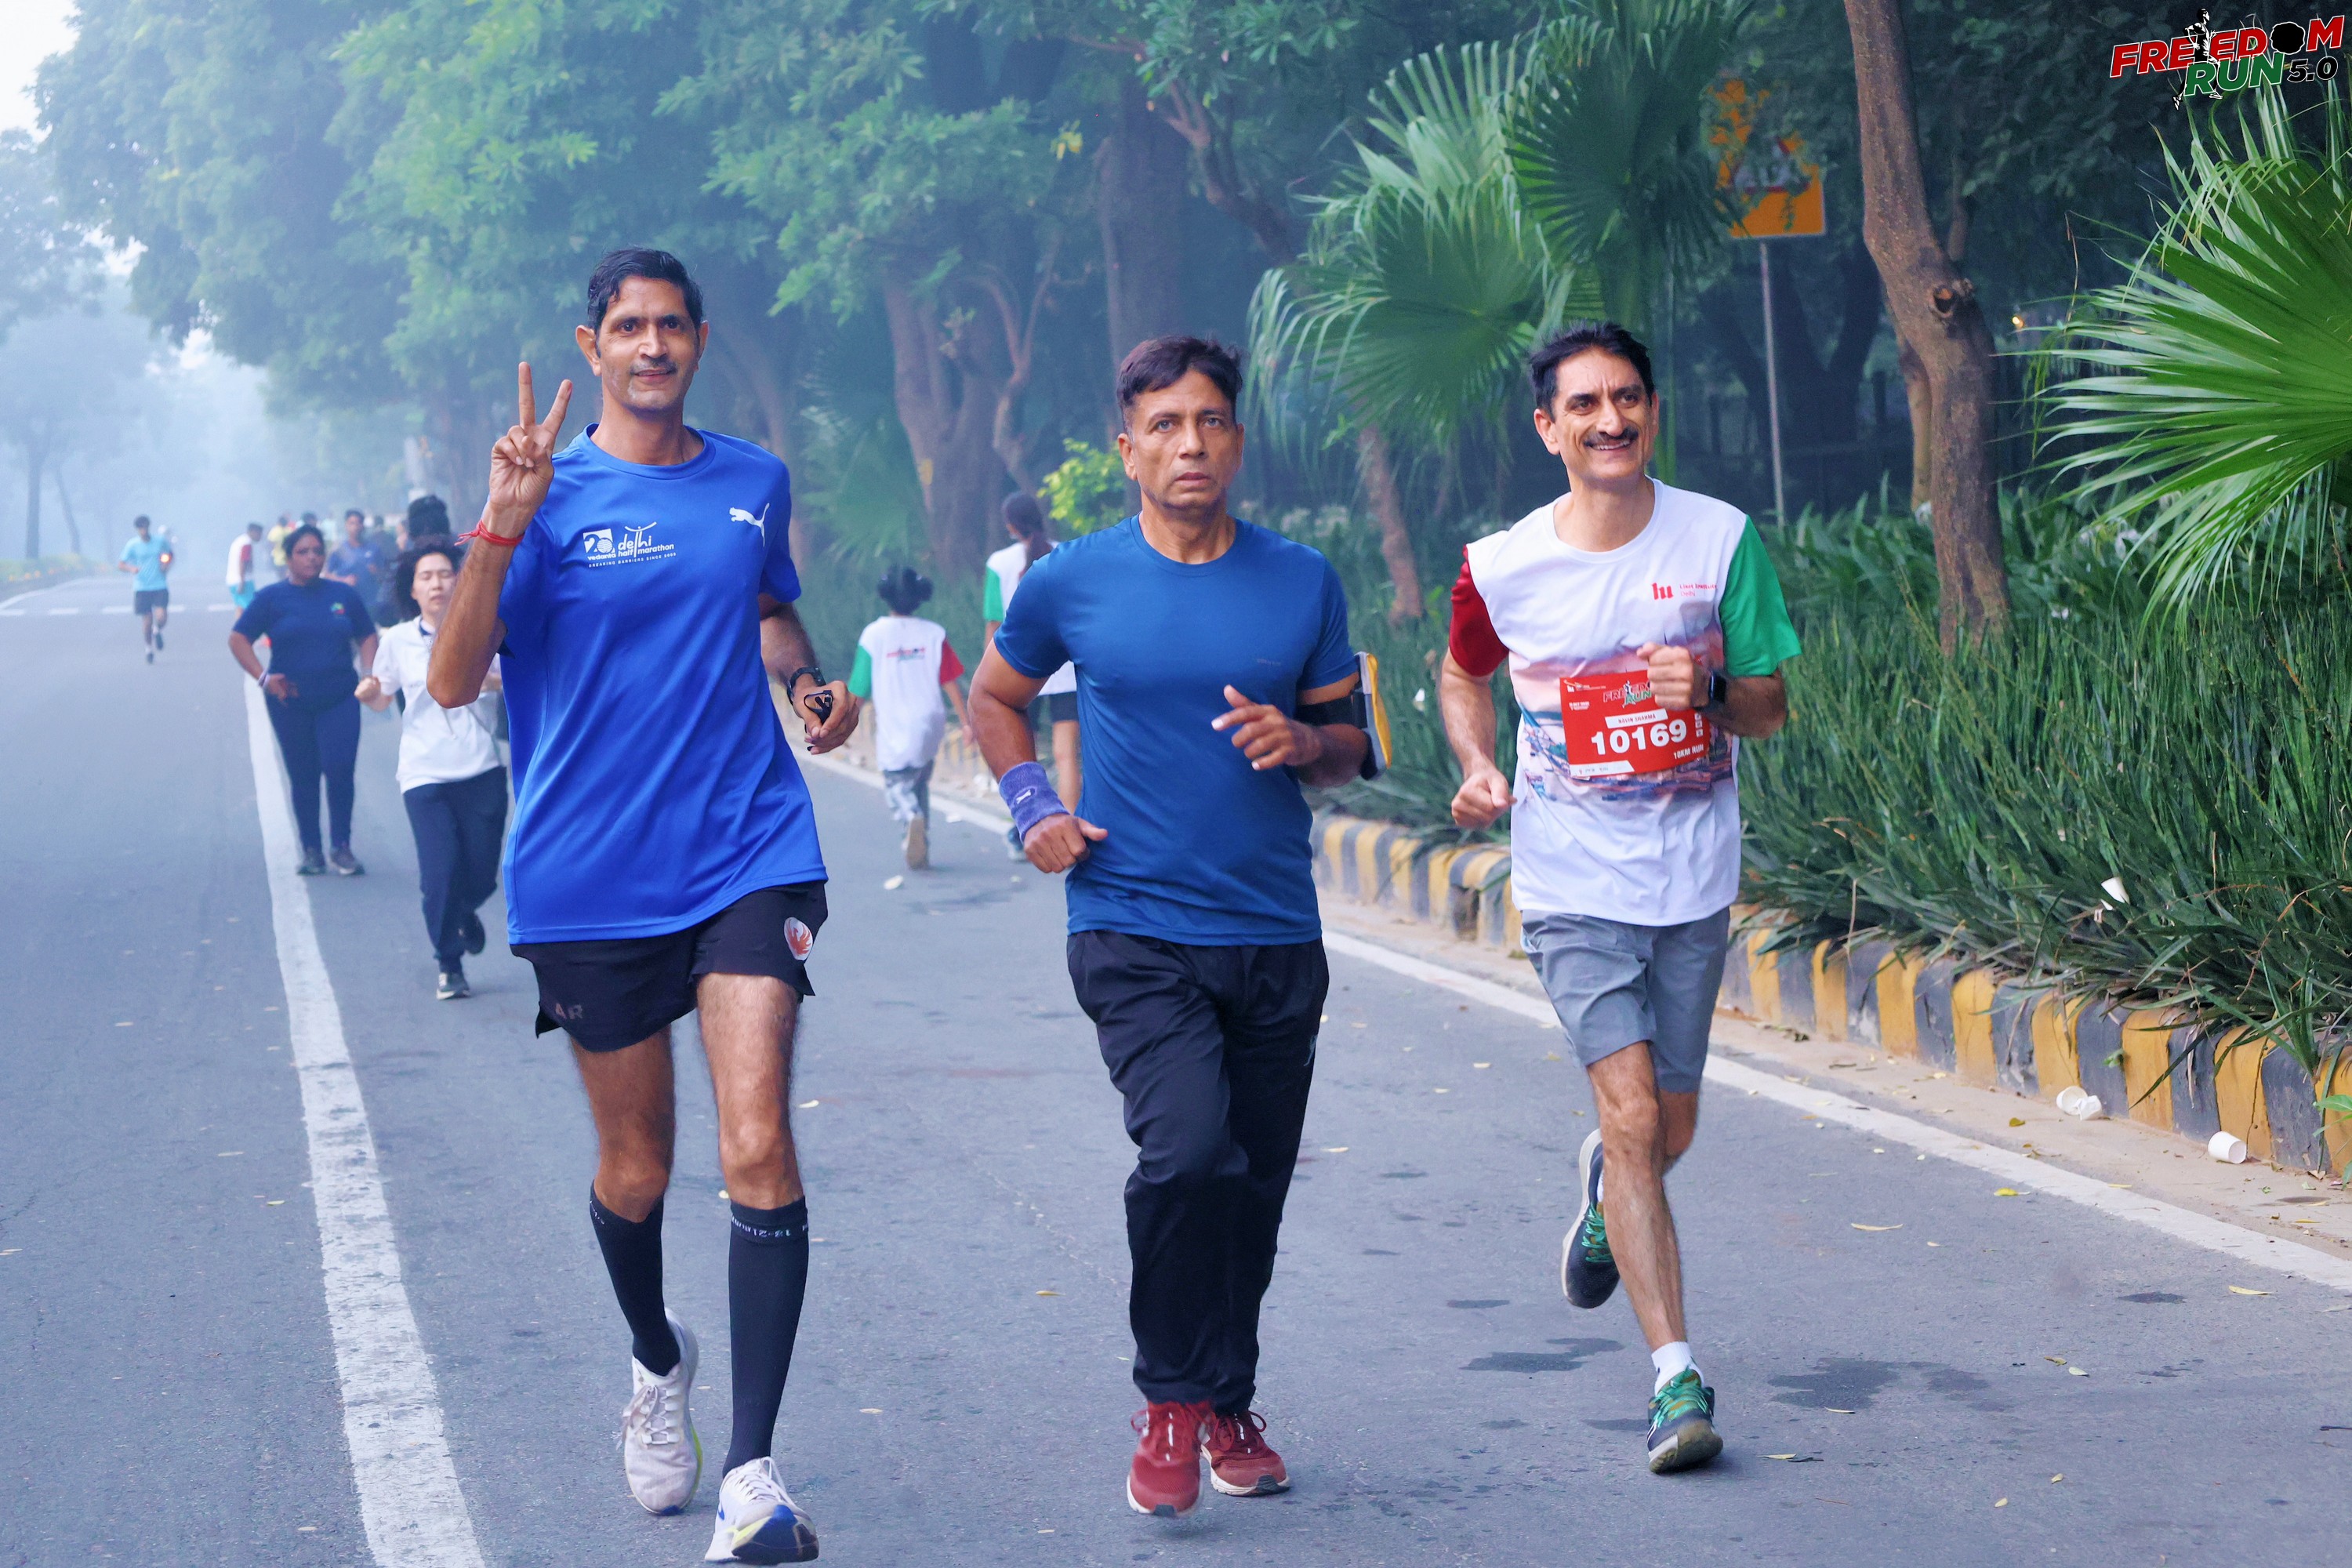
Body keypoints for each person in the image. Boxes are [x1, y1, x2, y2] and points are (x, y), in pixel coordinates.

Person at [425, 247, 857, 1565]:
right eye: (629, 327)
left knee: (757, 1140)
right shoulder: (544, 496)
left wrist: (808, 688)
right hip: (588, 873)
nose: (653, 345)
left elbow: (769, 611)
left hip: (746, 847)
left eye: (672, 325)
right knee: (638, 1170)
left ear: (699, 341)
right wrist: (502, 522)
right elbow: (452, 680)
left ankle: (753, 1478)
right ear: (592, 345)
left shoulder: (752, 482)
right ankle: (657, 1361)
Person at [970, 336, 1375, 1520]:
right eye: (1164, 425)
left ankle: (1229, 1399)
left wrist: (1305, 742)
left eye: (1209, 422)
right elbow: (993, 696)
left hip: (1274, 929)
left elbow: (1351, 746)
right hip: (1131, 922)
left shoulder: (1301, 579)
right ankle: (1169, 1399)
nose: (1189, 444)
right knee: (1189, 1153)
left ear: (1236, 441)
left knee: (1251, 1187)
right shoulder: (1071, 581)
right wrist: (1033, 805)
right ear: (1128, 448)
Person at [1439, 322, 1801, 1476]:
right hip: (1571, 882)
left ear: (1651, 410)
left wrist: (1709, 688)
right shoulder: (1502, 565)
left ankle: (1606, 1200)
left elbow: (1769, 707)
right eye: (1585, 404)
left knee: (1667, 1130)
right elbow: (1463, 671)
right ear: (1548, 428)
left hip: (1692, 876)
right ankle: (1675, 1379)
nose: (1611, 419)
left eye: (1628, 397)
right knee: (1634, 1115)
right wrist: (1478, 763)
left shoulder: (1719, 538)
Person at [357, 540, 508, 1000]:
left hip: (481, 766)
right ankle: (449, 964)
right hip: (424, 773)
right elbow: (383, 697)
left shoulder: (485, 629)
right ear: (413, 589)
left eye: (445, 574)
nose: (437, 583)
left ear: (460, 581)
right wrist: (370, 694)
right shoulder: (397, 640)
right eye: (426, 577)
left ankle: (462, 912)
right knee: (439, 874)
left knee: (482, 874)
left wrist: (478, 677)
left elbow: (509, 683)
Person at [228, 523, 379, 877]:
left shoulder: (343, 595)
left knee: (340, 769)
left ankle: (341, 847)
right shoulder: (272, 598)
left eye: (317, 551)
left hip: (340, 698)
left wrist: (369, 672)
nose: (312, 558)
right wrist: (263, 678)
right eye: (303, 552)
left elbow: (367, 635)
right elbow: (238, 639)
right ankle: (311, 850)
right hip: (290, 702)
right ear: (289, 558)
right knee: (304, 775)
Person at [849, 565, 971, 869]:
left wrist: (844, 724)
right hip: (931, 720)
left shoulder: (874, 635)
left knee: (897, 785)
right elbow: (950, 681)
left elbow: (859, 687)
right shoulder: (934, 634)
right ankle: (920, 843)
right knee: (919, 782)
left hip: (896, 723)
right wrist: (966, 723)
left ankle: (911, 817)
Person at [983, 492, 1080, 856]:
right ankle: (1071, 831)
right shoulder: (1065, 553)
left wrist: (988, 677)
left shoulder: (998, 563)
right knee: (1067, 756)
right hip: (1066, 670)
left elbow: (994, 623)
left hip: (1017, 672)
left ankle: (1027, 828)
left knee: (1022, 756)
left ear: (1011, 525)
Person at [117, 515, 173, 662]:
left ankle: (157, 630)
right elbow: (121, 564)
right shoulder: (132, 545)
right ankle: (148, 648)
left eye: (145, 527)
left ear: (149, 527)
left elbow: (169, 554)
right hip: (142, 587)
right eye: (140, 528)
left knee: (162, 617)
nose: (143, 530)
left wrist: (165, 564)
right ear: (137, 529)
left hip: (159, 584)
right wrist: (132, 569)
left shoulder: (160, 541)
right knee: (147, 622)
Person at [328, 508, 389, 603]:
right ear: (346, 526)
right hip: (345, 600)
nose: (355, 527)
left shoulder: (374, 549)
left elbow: (386, 573)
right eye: (352, 523)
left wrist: (377, 572)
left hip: (370, 601)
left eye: (359, 523)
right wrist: (343, 580)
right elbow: (327, 575)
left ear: (363, 526)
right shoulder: (339, 550)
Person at [226, 521, 264, 609]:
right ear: (253, 532)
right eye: (259, 534)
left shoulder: (239, 541)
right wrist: (242, 581)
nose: (260, 537)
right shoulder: (246, 543)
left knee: (240, 608)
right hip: (243, 581)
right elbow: (243, 561)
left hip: (232, 580)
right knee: (251, 608)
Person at [267, 514, 295, 580]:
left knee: (280, 578)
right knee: (289, 578)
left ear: (279, 522)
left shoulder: (274, 531)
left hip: (278, 559)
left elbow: (270, 544)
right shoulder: (290, 531)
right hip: (289, 559)